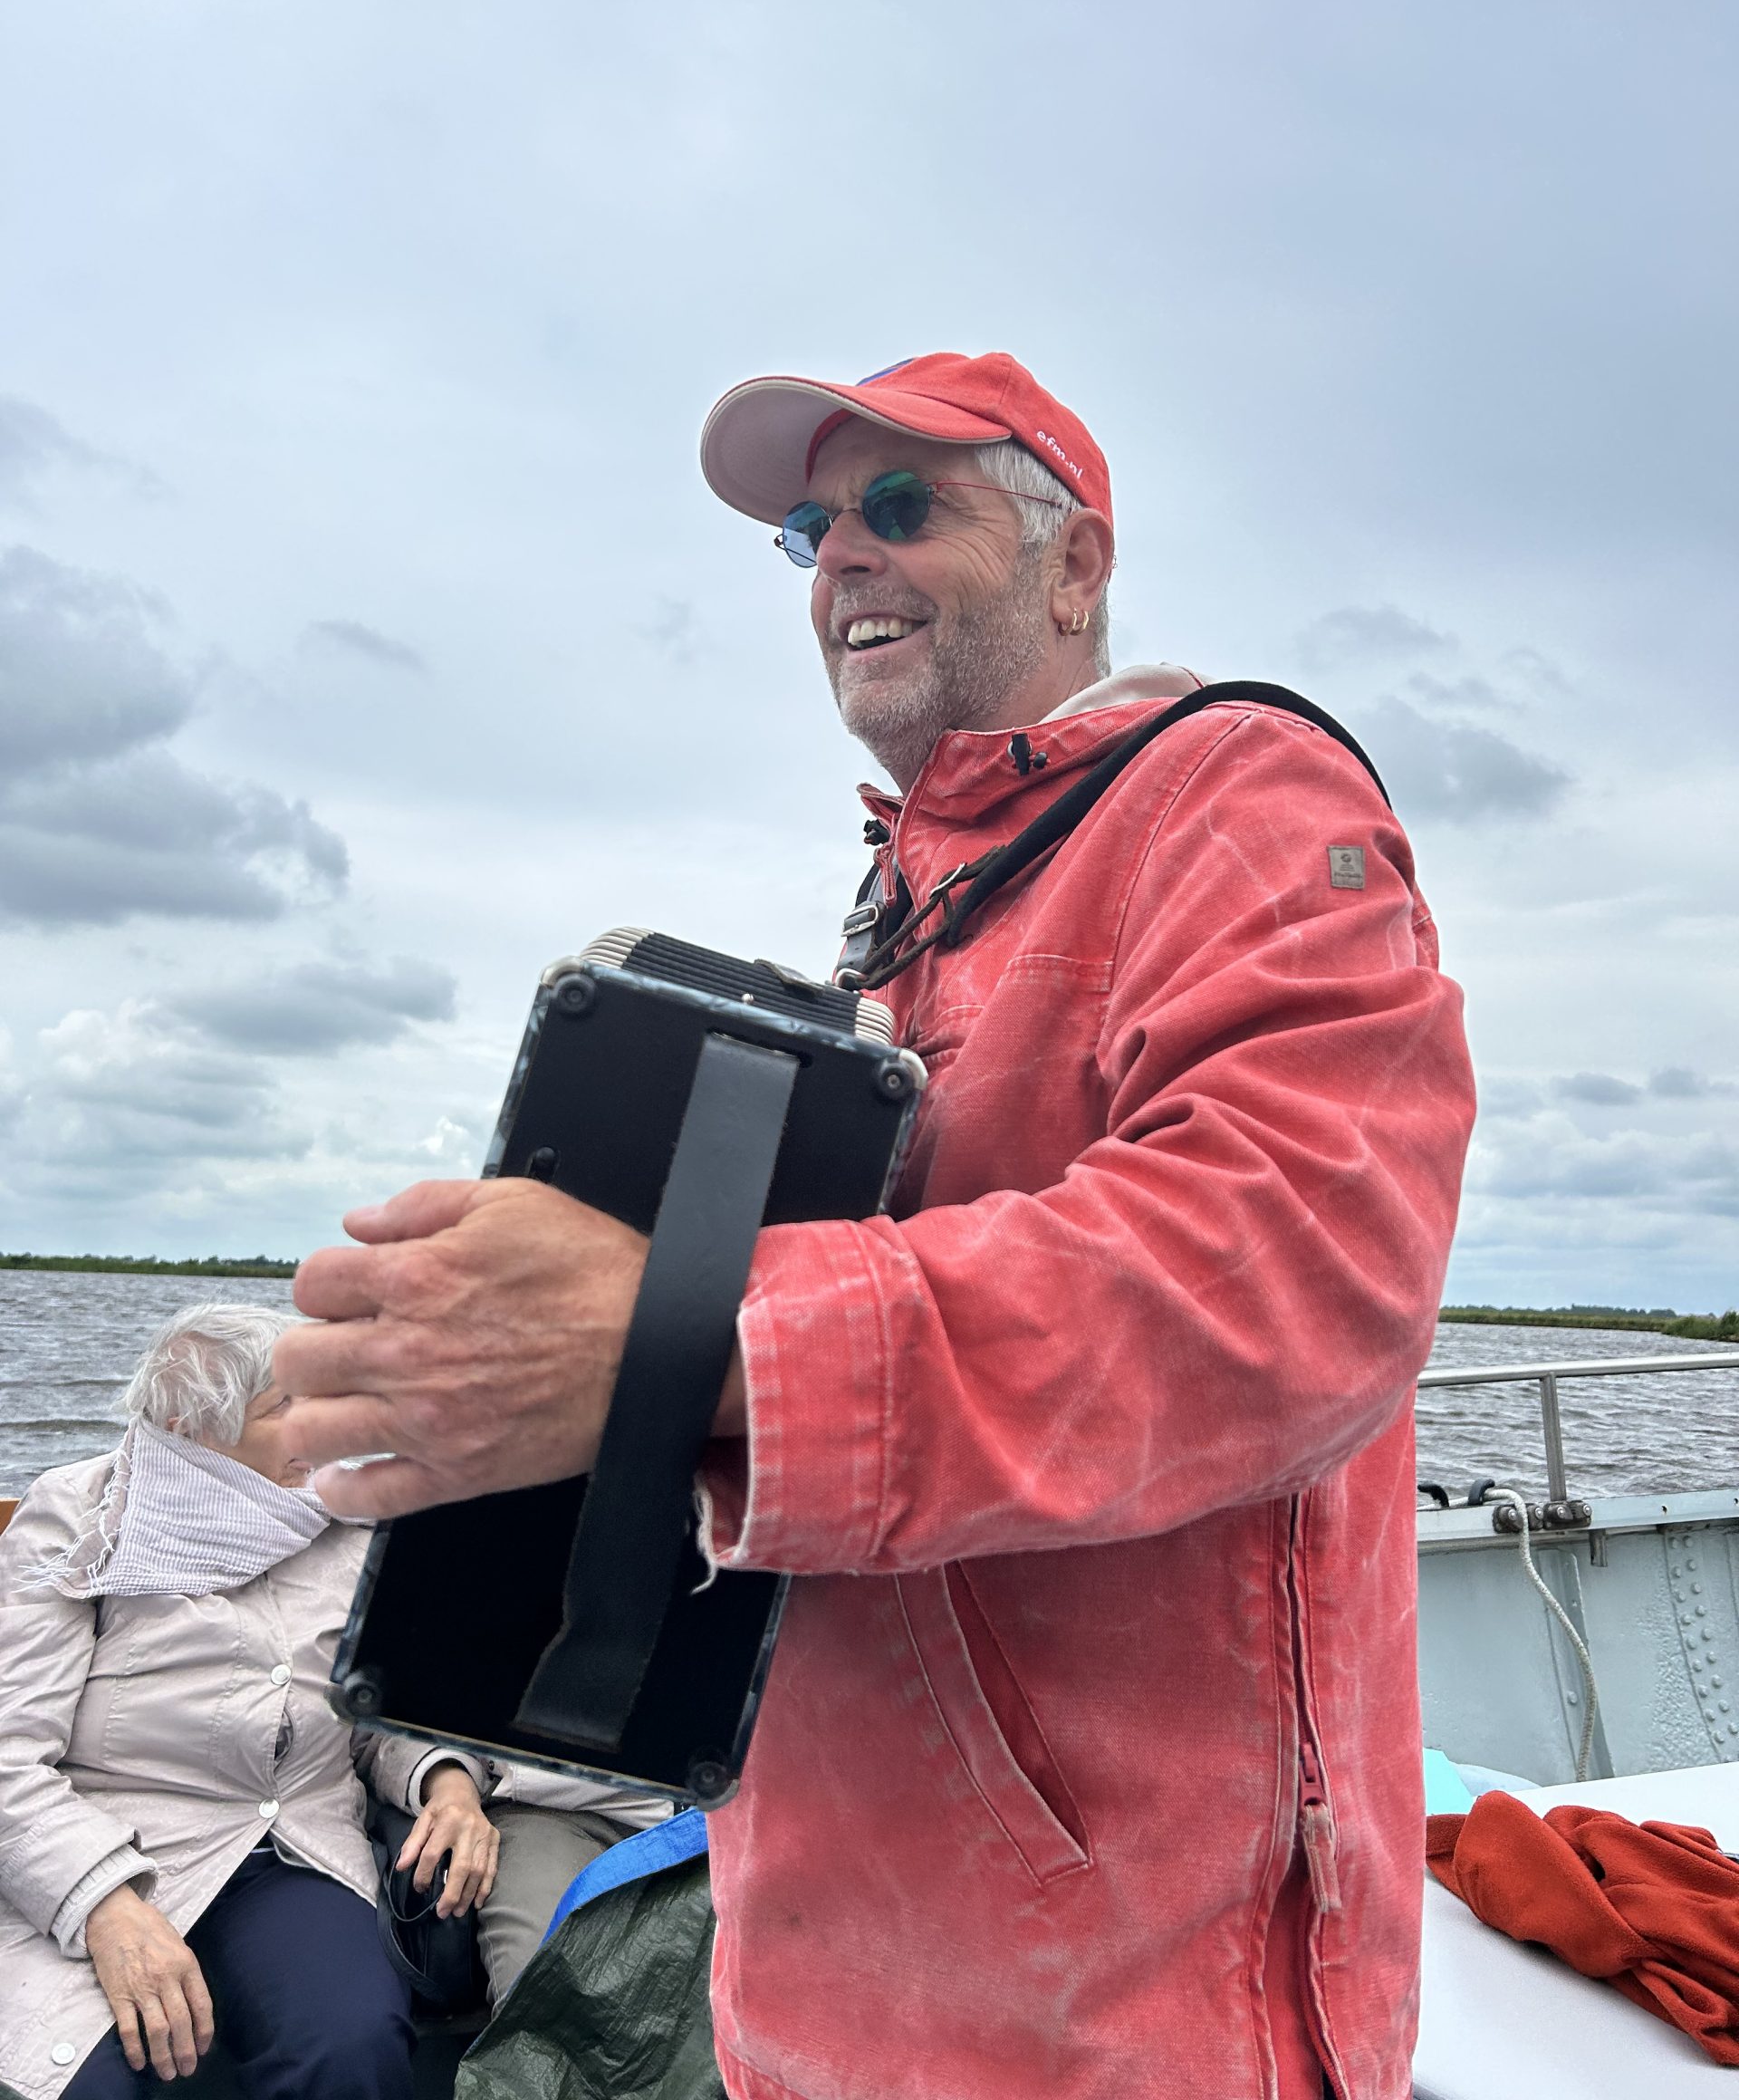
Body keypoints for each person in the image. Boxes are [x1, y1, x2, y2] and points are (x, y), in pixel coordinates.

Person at [275, 350, 1478, 2100]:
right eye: (809, 528)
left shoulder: (1238, 799)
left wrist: (676, 1338)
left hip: (1105, 2020)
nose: (841, 554)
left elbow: (1298, 1266)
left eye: (905, 505)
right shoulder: (909, 910)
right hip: (820, 1976)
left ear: (1076, 568)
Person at [0, 1303, 449, 2099]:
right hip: (99, 1838)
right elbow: (8, 1752)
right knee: (88, 2081)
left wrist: (442, 1778)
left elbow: (380, 1713)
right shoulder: (80, 1513)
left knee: (350, 2048)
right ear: (191, 1427)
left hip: (289, 1845)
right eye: (287, 1408)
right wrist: (102, 1904)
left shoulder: (349, 1516)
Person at [359, 1734, 670, 2006]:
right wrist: (448, 1781)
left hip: (706, 1812)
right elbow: (385, 1716)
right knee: (545, 1993)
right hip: (548, 1806)